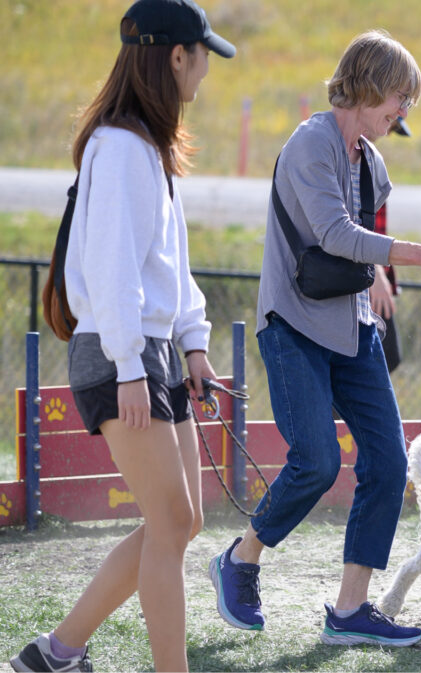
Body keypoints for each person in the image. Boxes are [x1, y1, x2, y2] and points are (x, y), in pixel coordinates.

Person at [208, 29, 421, 647]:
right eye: (399, 99)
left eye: (408, 102)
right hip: (296, 327)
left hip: (354, 328)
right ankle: (241, 559)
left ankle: (351, 610)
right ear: (369, 86)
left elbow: (368, 239)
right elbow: (335, 235)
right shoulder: (311, 145)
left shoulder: (372, 161)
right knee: (317, 461)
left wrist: (390, 272)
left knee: (388, 464)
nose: (403, 112)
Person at [7, 2, 234, 672]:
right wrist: (132, 367)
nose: (205, 71)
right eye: (202, 56)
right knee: (170, 526)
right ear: (174, 56)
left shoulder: (150, 147)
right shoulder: (122, 148)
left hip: (152, 352)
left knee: (183, 522)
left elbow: (170, 263)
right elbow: (110, 270)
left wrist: (192, 342)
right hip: (119, 352)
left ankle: (55, 654)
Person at [370, 117, 412, 373]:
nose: (387, 134)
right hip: (364, 273)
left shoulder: (371, 159)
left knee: (385, 357)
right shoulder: (352, 157)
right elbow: (351, 225)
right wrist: (375, 274)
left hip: (372, 267)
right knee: (382, 357)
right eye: (389, 126)